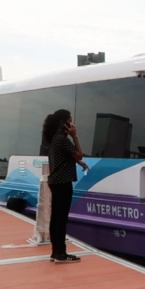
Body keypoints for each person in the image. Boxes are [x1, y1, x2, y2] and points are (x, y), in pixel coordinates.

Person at [41, 109, 88, 264]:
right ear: (63, 123)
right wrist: (75, 136)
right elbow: (79, 153)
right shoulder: (63, 139)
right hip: (63, 182)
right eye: (70, 121)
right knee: (61, 219)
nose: (72, 124)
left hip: (55, 181)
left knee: (56, 218)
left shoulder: (55, 138)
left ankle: (56, 252)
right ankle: (61, 253)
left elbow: (68, 156)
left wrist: (78, 162)